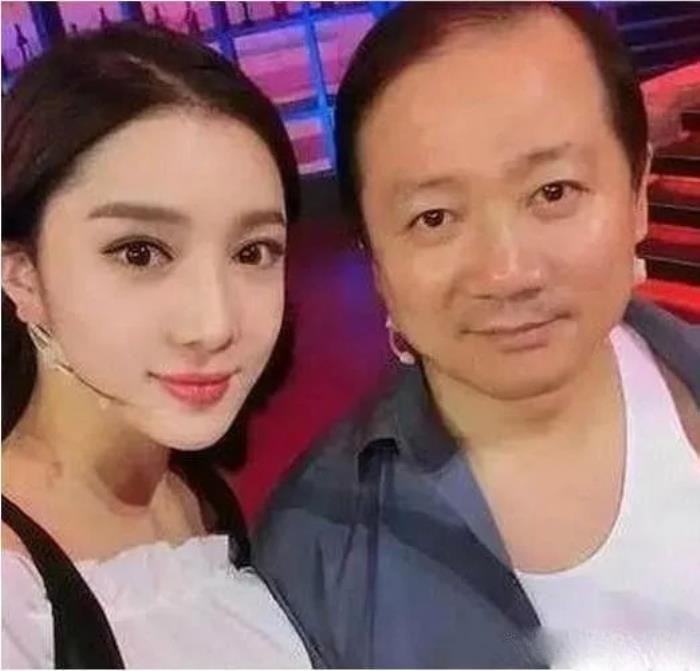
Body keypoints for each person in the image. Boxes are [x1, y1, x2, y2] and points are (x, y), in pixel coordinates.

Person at [253, 3, 700, 668]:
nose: (508, 271)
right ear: (375, 258)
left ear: (637, 193)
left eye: (553, 192)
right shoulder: (317, 549)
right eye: (434, 217)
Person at [2, 22, 309, 669]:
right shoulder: (14, 595)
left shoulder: (195, 497)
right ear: (22, 275)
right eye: (139, 252)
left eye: (253, 251)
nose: (213, 324)